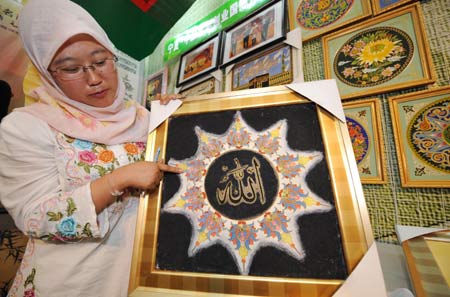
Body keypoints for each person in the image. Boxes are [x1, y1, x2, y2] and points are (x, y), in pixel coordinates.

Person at [0, 0, 183, 296]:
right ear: (47, 74)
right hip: (74, 283)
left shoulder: (144, 118)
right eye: (71, 69)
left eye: (101, 61)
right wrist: (115, 181)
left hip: (143, 276)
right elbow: (34, 216)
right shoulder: (26, 127)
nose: (94, 79)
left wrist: (182, 120)